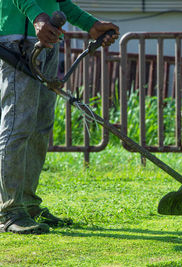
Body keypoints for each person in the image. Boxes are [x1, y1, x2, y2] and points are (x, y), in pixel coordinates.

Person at [0, 0, 119, 234]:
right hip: (17, 40)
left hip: (47, 40)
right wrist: (37, 17)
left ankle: (28, 205)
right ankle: (9, 211)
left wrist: (90, 24)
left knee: (39, 127)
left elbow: (59, 1)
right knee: (17, 124)